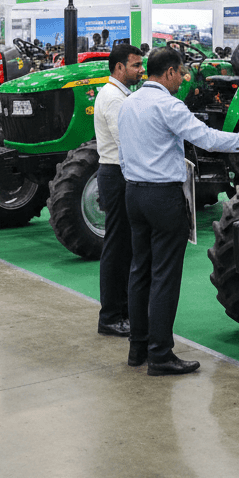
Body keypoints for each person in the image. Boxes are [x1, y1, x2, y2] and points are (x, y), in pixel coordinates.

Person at [117, 47, 239, 375]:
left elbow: (123, 152)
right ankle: (160, 354)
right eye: (181, 72)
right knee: (164, 276)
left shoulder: (129, 103)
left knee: (140, 270)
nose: (184, 78)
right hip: (162, 196)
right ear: (169, 72)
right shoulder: (169, 105)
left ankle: (138, 348)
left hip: (134, 193)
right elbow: (209, 139)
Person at [94, 43, 144, 338]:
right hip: (117, 174)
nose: (141, 70)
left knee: (124, 247)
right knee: (117, 248)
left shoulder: (121, 94)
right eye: (136, 65)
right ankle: (111, 317)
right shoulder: (113, 98)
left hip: (118, 173)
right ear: (119, 67)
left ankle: (122, 311)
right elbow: (124, 142)